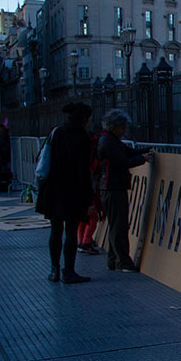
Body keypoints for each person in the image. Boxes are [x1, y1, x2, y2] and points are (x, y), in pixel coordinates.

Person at [35, 102, 97, 283]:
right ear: (84, 119)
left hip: (53, 189)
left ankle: (54, 270)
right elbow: (83, 171)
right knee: (70, 230)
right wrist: (88, 199)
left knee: (55, 230)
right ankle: (69, 271)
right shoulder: (83, 137)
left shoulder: (57, 132)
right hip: (72, 190)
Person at [97, 109, 154, 273]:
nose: (124, 130)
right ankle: (123, 262)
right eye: (123, 127)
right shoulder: (108, 142)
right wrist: (143, 158)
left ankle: (113, 260)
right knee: (119, 226)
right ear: (115, 127)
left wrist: (144, 151)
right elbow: (122, 161)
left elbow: (128, 152)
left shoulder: (110, 140)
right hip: (112, 187)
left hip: (112, 187)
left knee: (116, 225)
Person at [77, 121, 104, 255]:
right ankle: (86, 242)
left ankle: (81, 241)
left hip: (78, 189)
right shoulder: (92, 161)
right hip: (89, 191)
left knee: (83, 217)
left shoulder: (79, 157)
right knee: (92, 217)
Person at [0, 125, 12, 192]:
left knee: (2, 171)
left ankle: (2, 185)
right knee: (5, 171)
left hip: (2, 158)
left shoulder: (1, 138)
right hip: (5, 158)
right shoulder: (5, 138)